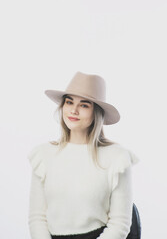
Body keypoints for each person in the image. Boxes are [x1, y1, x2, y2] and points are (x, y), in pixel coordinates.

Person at [27, 71, 139, 239]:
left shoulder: (117, 158)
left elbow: (120, 224)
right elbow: (37, 218)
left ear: (96, 113)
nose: (73, 110)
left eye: (84, 105)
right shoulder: (43, 155)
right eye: (69, 102)